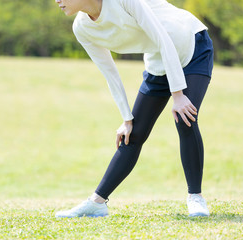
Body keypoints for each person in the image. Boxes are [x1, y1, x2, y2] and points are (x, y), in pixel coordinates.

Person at [54, 0, 214, 218]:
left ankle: (195, 197)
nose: (57, 0)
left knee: (185, 118)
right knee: (133, 134)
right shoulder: (82, 27)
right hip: (159, 59)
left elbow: (162, 37)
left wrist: (178, 94)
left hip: (191, 45)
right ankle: (97, 203)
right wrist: (126, 118)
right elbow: (109, 71)